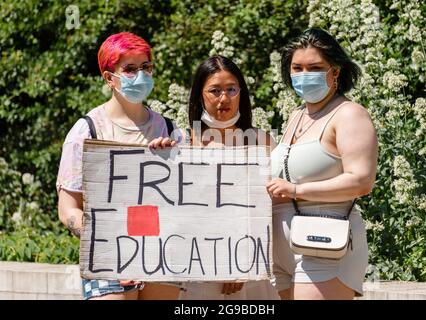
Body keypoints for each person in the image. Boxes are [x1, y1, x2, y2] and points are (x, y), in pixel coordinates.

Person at [56, 32, 179, 300]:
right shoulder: (86, 131)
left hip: (162, 255)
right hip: (109, 255)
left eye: (146, 67)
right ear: (109, 78)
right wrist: (104, 245)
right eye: (130, 69)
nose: (141, 75)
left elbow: (188, 200)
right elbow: (68, 209)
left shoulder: (170, 130)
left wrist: (174, 163)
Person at [149, 55, 279, 300]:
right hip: (196, 269)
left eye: (231, 89)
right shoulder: (182, 142)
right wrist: (159, 156)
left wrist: (245, 262)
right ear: (199, 95)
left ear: (241, 92)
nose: (224, 98)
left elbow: (272, 207)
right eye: (214, 90)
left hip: (249, 271)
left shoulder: (262, 142)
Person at [266, 28, 378, 300]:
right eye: (297, 67)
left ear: (335, 71)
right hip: (285, 255)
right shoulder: (297, 115)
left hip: (324, 247)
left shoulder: (349, 114)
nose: (304, 75)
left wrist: (295, 191)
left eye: (315, 67)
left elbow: (361, 181)